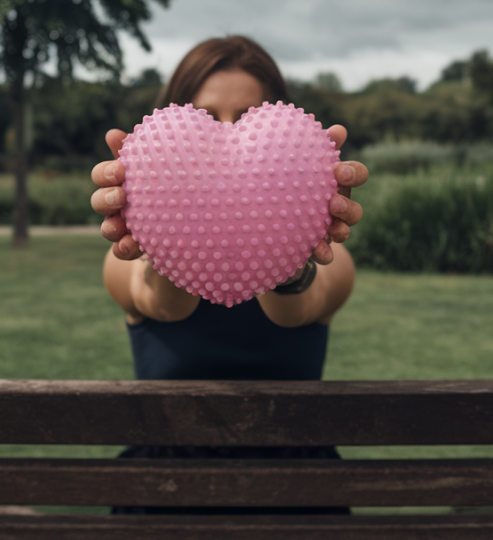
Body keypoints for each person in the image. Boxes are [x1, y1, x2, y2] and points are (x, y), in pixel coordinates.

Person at [90, 35, 368, 514]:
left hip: (291, 501)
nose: (225, 140)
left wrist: (291, 244)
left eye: (245, 117)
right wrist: (162, 225)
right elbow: (163, 304)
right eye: (206, 115)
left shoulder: (328, 258)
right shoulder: (127, 257)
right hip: (171, 499)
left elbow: (299, 307)